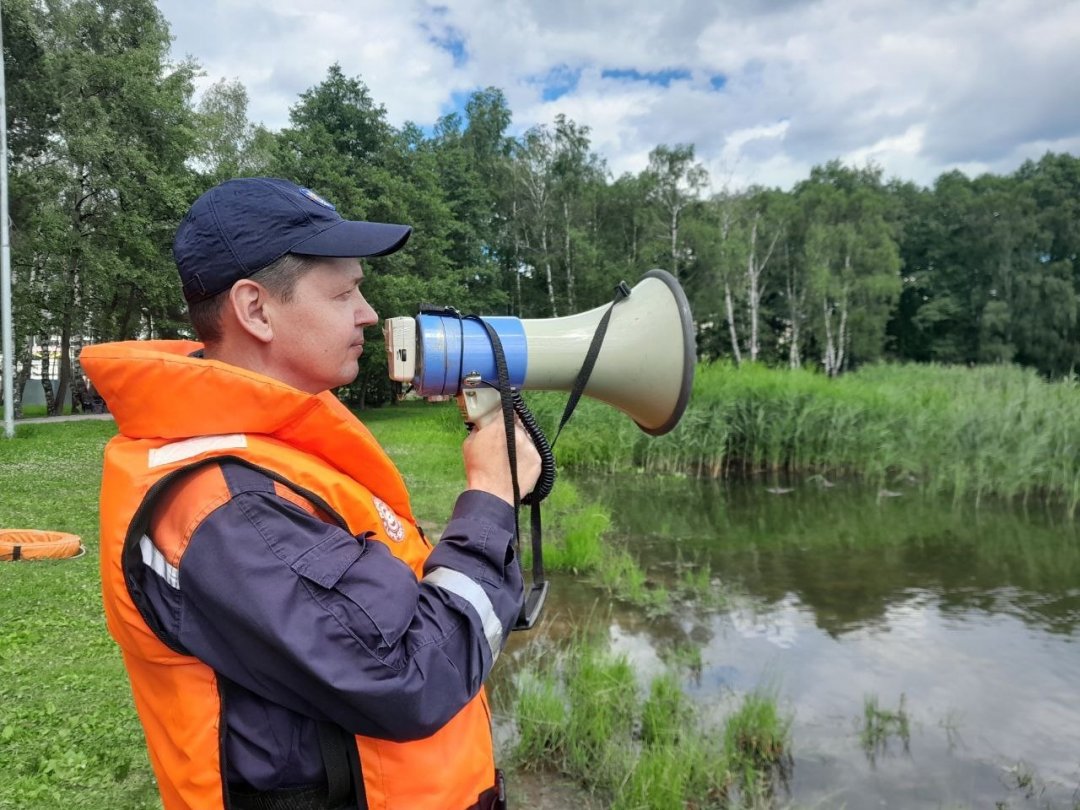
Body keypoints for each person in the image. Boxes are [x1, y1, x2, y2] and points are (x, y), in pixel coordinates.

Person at [81, 177, 542, 810]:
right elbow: (411, 679)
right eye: (345, 291)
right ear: (256, 310)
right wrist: (490, 495)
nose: (369, 313)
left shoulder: (272, 447)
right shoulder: (219, 509)